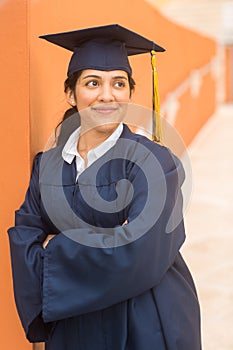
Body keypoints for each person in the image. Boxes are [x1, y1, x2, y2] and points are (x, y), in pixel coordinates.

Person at [8, 24, 202, 350]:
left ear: (129, 94)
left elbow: (140, 250)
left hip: (146, 319)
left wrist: (53, 248)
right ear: (71, 93)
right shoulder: (48, 166)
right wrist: (113, 236)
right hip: (77, 328)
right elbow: (23, 237)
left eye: (119, 83)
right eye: (93, 82)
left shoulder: (154, 162)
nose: (107, 95)